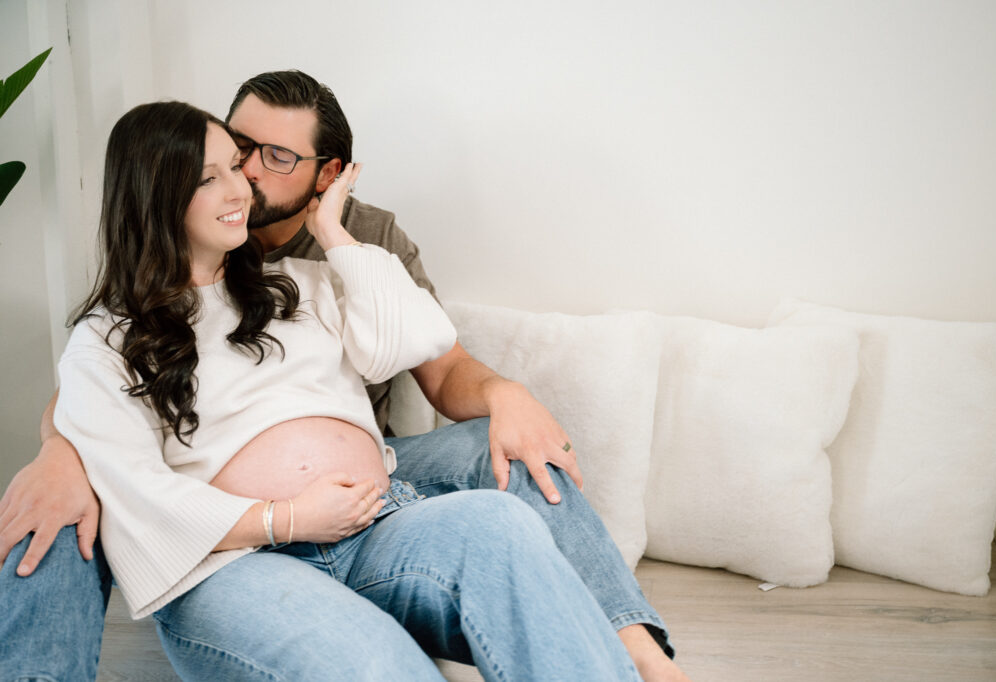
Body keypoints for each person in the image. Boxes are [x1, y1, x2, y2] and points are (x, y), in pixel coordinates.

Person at [0, 71, 686, 681]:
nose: (246, 183)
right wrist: (287, 516)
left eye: (247, 167)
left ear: (325, 174)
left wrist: (333, 233)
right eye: (218, 171)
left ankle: (632, 656)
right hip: (237, 565)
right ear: (155, 196)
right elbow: (139, 497)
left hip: (376, 524)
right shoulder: (108, 339)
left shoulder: (304, 280)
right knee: (375, 663)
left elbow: (418, 342)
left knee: (500, 524)